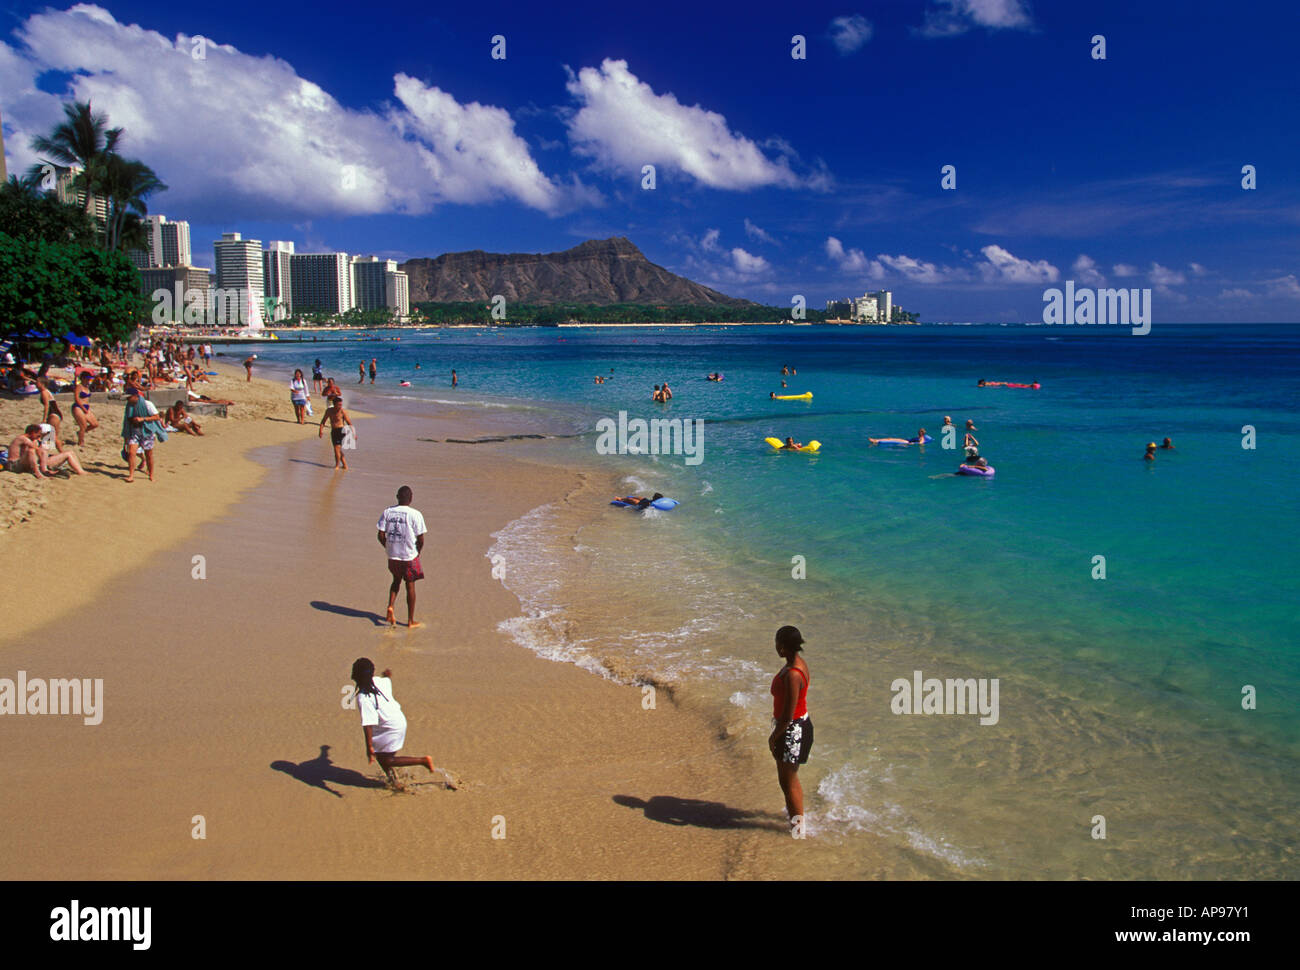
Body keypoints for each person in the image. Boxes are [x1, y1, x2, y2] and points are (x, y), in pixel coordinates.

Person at [350, 658, 436, 789]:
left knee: (387, 759)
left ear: (355, 675)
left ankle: (423, 761)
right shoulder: (380, 681)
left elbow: (368, 724)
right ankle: (394, 782)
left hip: (390, 727)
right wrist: (386, 674)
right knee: (381, 755)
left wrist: (369, 747)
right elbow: (387, 678)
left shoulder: (363, 697)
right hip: (397, 719)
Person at [768, 625, 812, 834]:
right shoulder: (796, 664)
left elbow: (788, 715)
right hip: (794, 727)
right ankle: (797, 823)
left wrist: (773, 737)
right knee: (789, 780)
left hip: (793, 730)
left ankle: (798, 831)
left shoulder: (794, 674)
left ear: (782, 646)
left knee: (788, 782)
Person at [377, 485, 427, 628]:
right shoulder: (415, 514)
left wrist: (388, 548)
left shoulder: (388, 512)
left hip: (393, 556)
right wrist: (417, 552)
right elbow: (421, 539)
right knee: (410, 585)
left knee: (395, 580)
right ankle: (410, 620)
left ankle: (390, 606)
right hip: (408, 556)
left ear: (397, 497)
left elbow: (380, 535)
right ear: (411, 499)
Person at [121, 387, 166, 483]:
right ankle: (131, 475)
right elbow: (127, 420)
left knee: (148, 454)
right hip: (134, 431)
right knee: (131, 453)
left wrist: (143, 419)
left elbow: (157, 416)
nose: (128, 400)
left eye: (129, 397)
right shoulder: (129, 406)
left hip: (147, 432)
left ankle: (151, 474)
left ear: (135, 396)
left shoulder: (147, 404)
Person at [7, 425, 84, 477]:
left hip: (29, 463)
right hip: (15, 465)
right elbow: (36, 449)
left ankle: (81, 471)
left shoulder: (31, 440)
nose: (39, 437)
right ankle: (41, 471)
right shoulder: (22, 438)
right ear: (33, 432)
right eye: (38, 435)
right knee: (33, 450)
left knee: (70, 453)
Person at [318, 395, 352, 470]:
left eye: (341, 404)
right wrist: (320, 430)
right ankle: (345, 465)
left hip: (341, 430)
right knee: (338, 449)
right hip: (333, 431)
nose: (340, 406)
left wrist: (353, 433)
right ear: (334, 404)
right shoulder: (329, 411)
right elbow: (323, 421)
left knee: (336, 448)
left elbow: (349, 422)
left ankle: (337, 465)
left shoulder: (343, 411)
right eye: (339, 405)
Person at [71, 372, 100, 446]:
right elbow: (76, 398)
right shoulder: (79, 386)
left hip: (86, 407)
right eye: (87, 379)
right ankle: (80, 443)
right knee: (83, 425)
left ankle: (80, 433)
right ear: (83, 379)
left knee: (95, 424)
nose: (88, 381)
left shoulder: (87, 387)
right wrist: (82, 407)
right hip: (78, 407)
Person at [38, 377, 65, 451]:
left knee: (52, 436)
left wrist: (44, 419)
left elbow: (47, 406)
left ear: (42, 384)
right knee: (51, 435)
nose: (36, 384)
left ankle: (62, 452)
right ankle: (59, 445)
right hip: (56, 413)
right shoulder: (46, 391)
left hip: (53, 414)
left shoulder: (44, 392)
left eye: (37, 382)